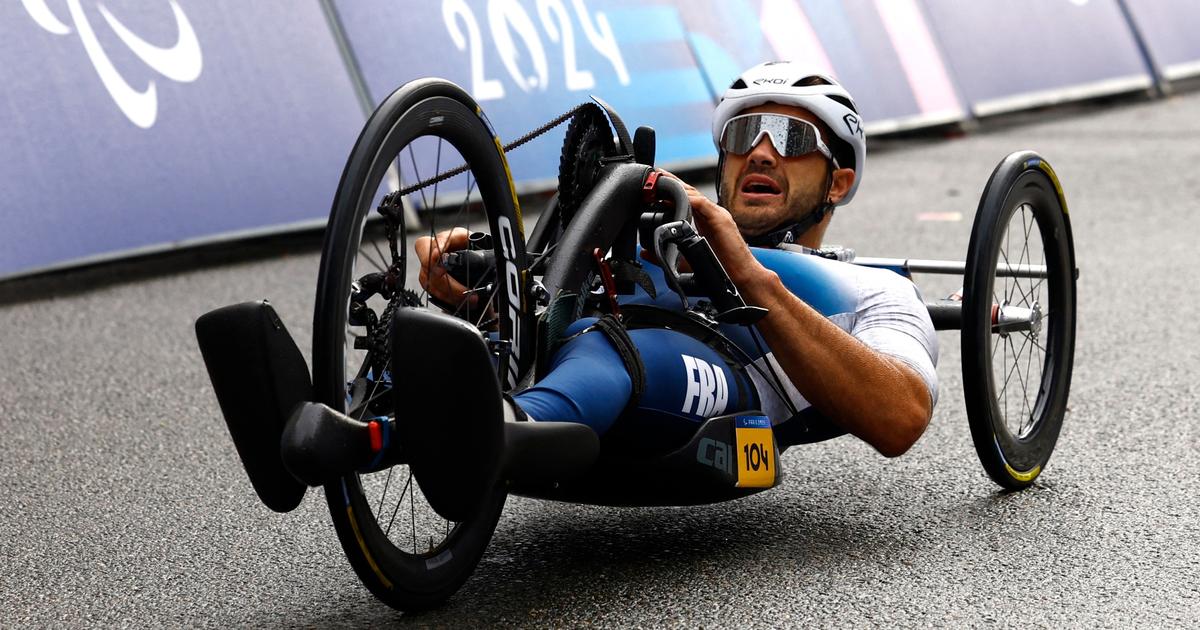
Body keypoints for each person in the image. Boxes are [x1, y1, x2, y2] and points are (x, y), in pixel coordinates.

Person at [417, 61, 937, 457]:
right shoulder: (656, 233)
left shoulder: (874, 289)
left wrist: (748, 274)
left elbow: (900, 416)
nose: (759, 152)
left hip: (697, 373)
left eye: (791, 138)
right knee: (452, 344)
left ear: (838, 182)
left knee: (613, 346)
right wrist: (486, 292)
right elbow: (553, 310)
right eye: (742, 135)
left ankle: (508, 431)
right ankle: (367, 424)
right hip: (576, 352)